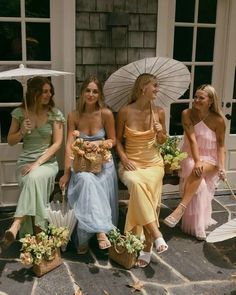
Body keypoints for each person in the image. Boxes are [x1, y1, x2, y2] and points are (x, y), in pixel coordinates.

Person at [1, 76, 65, 250]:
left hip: (47, 163)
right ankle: (39, 237)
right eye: (44, 91)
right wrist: (22, 130)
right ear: (34, 93)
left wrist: (37, 163)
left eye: (50, 91)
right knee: (31, 179)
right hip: (24, 163)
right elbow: (11, 141)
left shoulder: (55, 114)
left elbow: (57, 144)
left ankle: (16, 225)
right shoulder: (20, 113)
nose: (49, 94)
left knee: (33, 178)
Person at [59, 76, 118, 254]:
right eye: (88, 90)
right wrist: (67, 173)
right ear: (82, 92)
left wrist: (99, 144)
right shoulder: (74, 115)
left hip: (103, 164)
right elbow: (69, 145)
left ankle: (85, 238)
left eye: (95, 91)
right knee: (85, 180)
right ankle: (99, 232)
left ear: (99, 94)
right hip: (82, 163)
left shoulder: (106, 113)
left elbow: (113, 140)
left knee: (93, 182)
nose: (91, 94)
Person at [116, 73, 168, 268]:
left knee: (148, 185)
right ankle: (155, 236)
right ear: (142, 88)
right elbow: (118, 143)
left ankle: (147, 246)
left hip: (154, 163)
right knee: (137, 183)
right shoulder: (125, 111)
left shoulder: (160, 112)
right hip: (131, 162)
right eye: (154, 85)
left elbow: (163, 141)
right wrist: (124, 158)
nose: (157, 89)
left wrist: (160, 131)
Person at [164, 84, 226, 240]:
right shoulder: (187, 114)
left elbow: (221, 146)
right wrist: (198, 161)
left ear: (210, 101)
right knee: (198, 178)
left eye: (201, 98)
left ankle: (180, 209)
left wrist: (222, 168)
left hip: (211, 159)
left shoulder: (219, 120)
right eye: (196, 97)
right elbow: (192, 140)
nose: (196, 100)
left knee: (197, 170)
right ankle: (198, 227)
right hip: (191, 155)